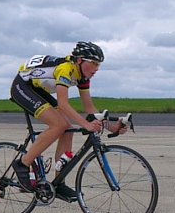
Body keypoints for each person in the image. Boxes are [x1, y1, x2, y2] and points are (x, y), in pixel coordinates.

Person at [9, 41, 127, 200]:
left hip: (37, 89)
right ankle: (23, 164)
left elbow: (89, 108)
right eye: (93, 63)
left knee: (67, 130)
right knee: (59, 125)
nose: (96, 69)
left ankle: (59, 184)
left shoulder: (82, 76)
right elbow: (63, 104)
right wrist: (86, 124)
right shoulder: (66, 69)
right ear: (79, 60)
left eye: (98, 65)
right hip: (22, 86)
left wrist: (112, 127)